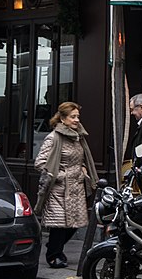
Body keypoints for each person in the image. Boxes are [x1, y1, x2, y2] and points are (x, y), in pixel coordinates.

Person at [34, 102, 98, 269]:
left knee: (75, 224)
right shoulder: (54, 138)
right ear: (62, 119)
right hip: (59, 189)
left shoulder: (79, 136)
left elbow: (82, 159)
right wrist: (60, 176)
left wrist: (84, 170)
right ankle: (53, 255)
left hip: (77, 187)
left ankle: (54, 248)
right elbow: (40, 162)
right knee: (60, 225)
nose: (77, 120)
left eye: (78, 116)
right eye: (73, 117)